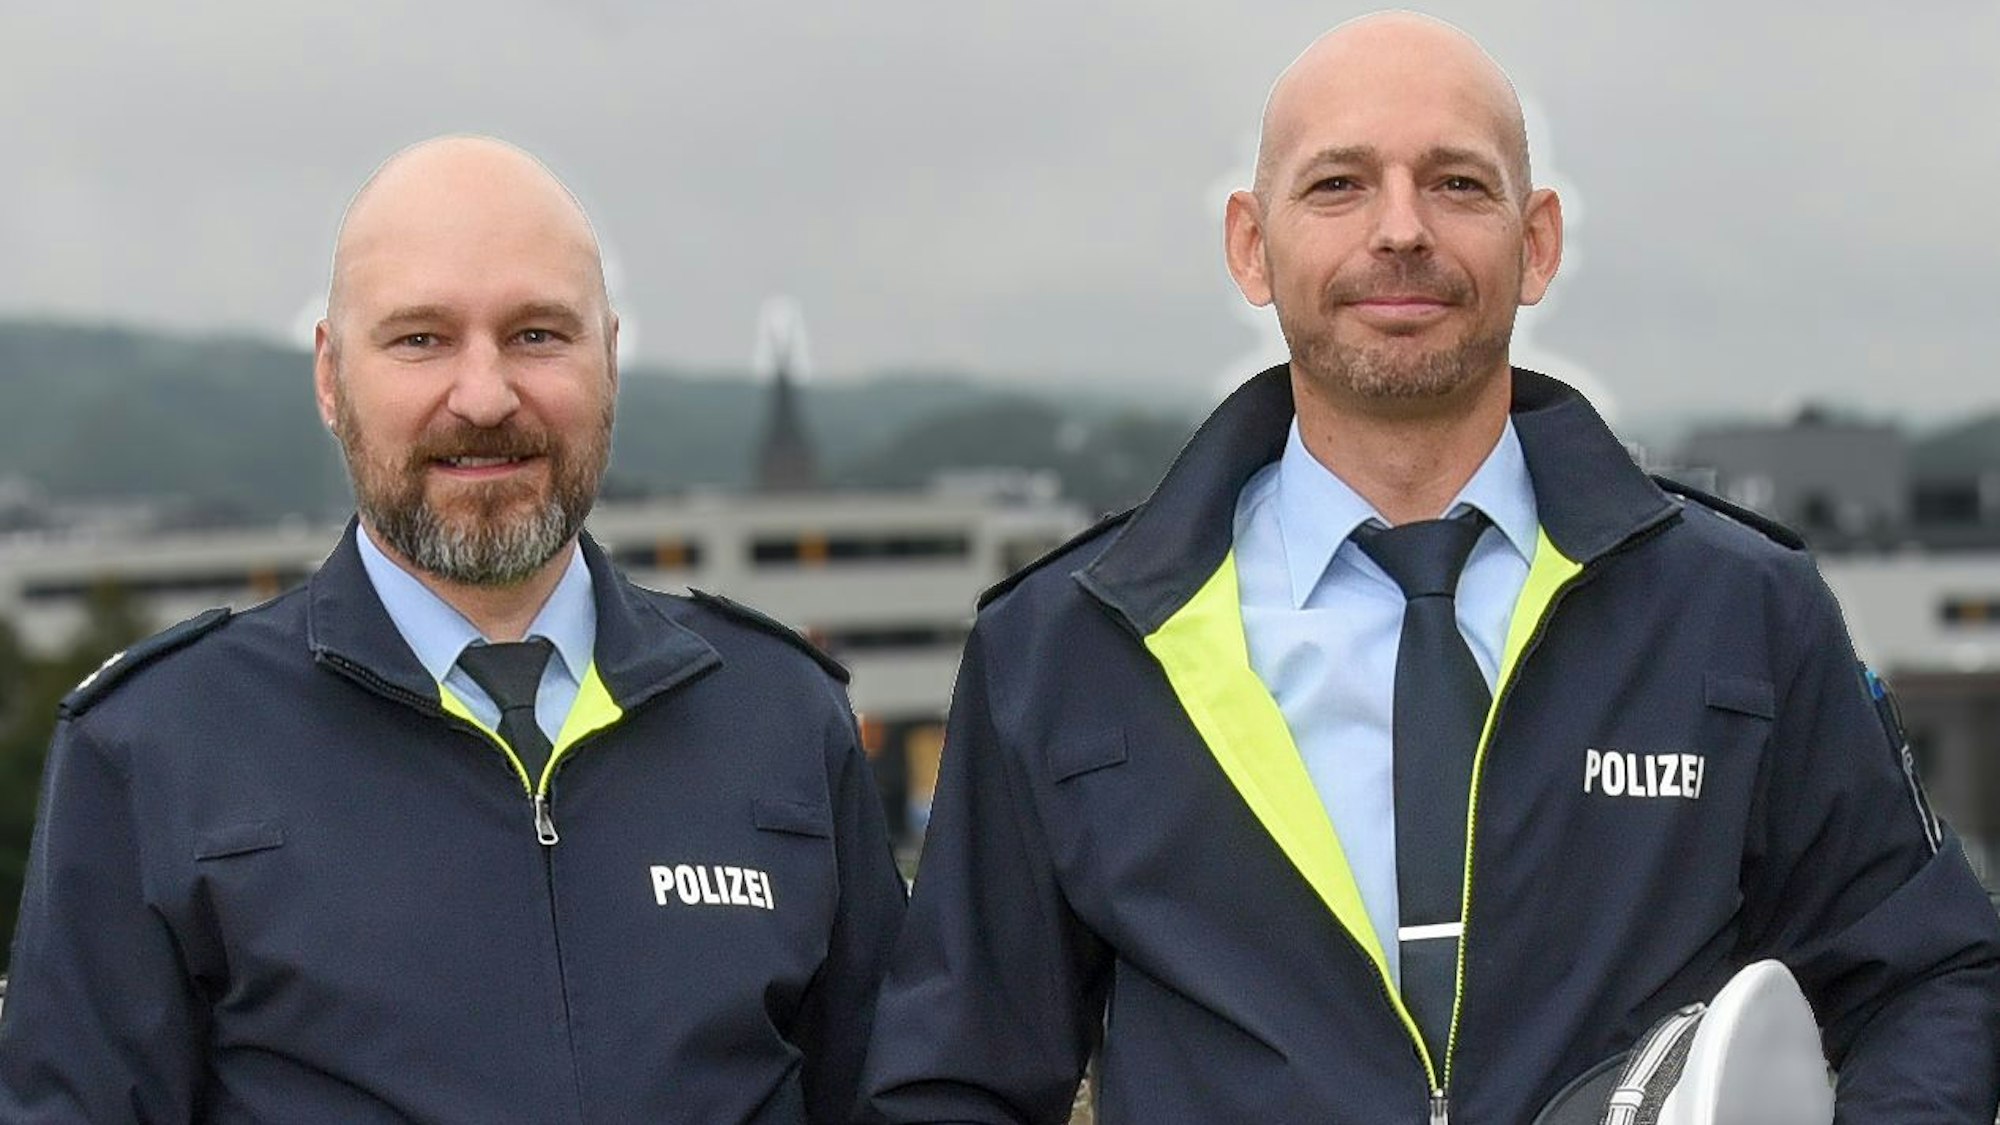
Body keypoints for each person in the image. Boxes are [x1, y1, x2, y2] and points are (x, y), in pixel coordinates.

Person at [859, 13, 2000, 1123]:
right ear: (1251, 247)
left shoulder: (1735, 613)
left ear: (1536, 240)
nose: (1399, 229)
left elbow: (1924, 976)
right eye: (1337, 184)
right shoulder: (1067, 646)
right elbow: (955, 1080)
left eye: (1455, 183)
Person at [0, 136, 906, 1123]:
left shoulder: (781, 720)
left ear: (608, 357)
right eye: (420, 340)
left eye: (536, 336)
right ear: (330, 378)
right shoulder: (151, 749)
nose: (483, 396)